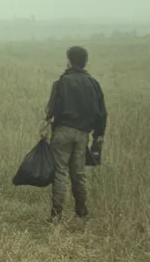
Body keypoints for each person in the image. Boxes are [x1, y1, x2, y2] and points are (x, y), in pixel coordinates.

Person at [44, 46, 107, 220]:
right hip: (82, 134)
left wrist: (47, 122)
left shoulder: (62, 81)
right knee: (78, 173)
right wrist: (98, 135)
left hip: (62, 131)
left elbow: (50, 110)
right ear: (85, 62)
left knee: (59, 172)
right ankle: (82, 211)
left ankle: (56, 214)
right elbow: (101, 113)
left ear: (69, 61)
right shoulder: (94, 83)